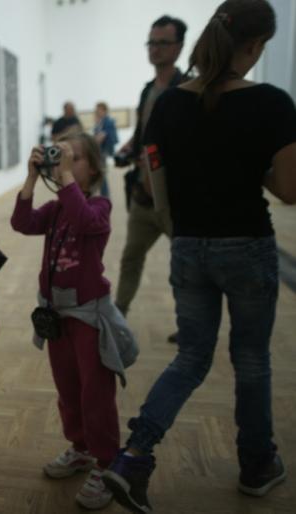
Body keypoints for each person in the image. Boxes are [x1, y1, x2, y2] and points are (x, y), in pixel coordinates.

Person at [103, 1, 296, 512]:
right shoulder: (272, 103)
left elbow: (155, 183)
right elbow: (289, 189)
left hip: (189, 246)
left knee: (190, 358)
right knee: (251, 359)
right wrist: (245, 163)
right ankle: (257, 464)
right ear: (253, 45)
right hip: (247, 246)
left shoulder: (169, 103)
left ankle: (133, 456)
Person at [10, 133, 138, 510]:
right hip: (57, 316)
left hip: (88, 317)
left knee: (95, 393)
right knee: (67, 388)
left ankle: (106, 463)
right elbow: (21, 222)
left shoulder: (100, 207)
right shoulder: (55, 209)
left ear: (94, 168)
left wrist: (64, 176)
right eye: (61, 157)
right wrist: (31, 178)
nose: (65, 164)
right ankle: (81, 448)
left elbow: (83, 221)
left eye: (74, 158)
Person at [114, 15, 186, 344]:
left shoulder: (188, 90)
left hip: (174, 200)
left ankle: (189, 324)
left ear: (179, 47)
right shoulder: (147, 90)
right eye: (151, 42)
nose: (155, 49)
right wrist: (129, 148)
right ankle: (117, 319)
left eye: (162, 43)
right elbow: (144, 134)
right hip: (143, 196)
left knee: (184, 266)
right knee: (130, 258)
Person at [93, 102, 119, 198]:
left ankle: (105, 197)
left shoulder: (108, 121)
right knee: (101, 174)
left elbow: (101, 137)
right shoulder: (101, 122)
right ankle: (104, 196)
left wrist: (91, 143)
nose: (97, 111)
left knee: (102, 174)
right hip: (100, 151)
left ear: (104, 110)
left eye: (98, 109)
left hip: (103, 151)